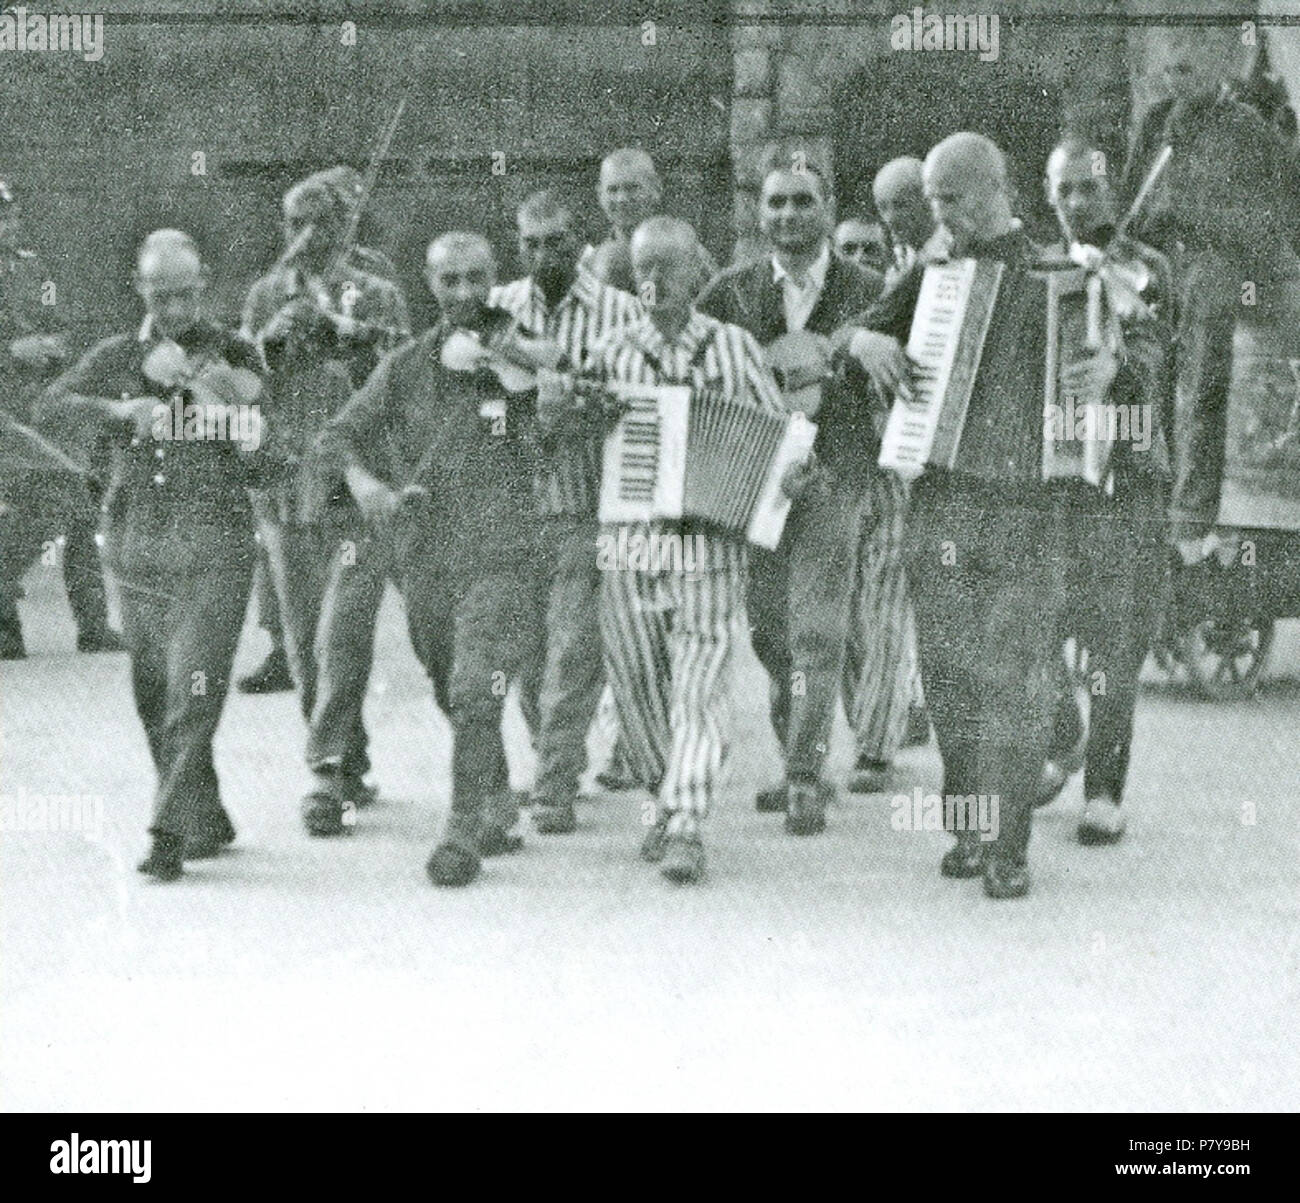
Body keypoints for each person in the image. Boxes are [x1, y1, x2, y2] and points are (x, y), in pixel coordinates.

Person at [837, 132, 1071, 899]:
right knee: (948, 675)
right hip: (941, 500)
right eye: (931, 202)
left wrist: (1108, 367)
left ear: (999, 187)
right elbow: (853, 330)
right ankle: (968, 823)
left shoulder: (1057, 273)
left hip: (1029, 509)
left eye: (952, 200)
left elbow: (1132, 358)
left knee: (1013, 674)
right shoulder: (930, 273)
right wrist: (870, 339)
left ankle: (1009, 844)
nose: (938, 217)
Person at [38, 231, 272, 881]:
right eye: (160, 294)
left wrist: (229, 413)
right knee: (153, 690)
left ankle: (167, 828)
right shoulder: (119, 356)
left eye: (186, 294)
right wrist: (122, 409)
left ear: (204, 286)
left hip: (215, 545)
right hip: (138, 545)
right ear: (141, 290)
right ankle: (205, 810)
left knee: (193, 684)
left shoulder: (234, 353)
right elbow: (49, 406)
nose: (174, 308)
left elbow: (268, 450)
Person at [319, 232, 547, 886]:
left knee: (477, 686)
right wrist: (370, 487)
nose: (466, 294)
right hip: (426, 555)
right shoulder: (407, 364)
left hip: (504, 549)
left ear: (495, 277)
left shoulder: (523, 355)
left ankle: (461, 828)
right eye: (450, 281)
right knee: (453, 685)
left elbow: (572, 409)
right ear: (430, 283)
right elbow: (338, 435)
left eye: (478, 278)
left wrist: (539, 374)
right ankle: (497, 797)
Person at [587, 215, 797, 882]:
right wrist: (576, 415)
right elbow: (569, 435)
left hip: (710, 541)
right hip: (631, 539)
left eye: (668, 268)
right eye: (642, 270)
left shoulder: (733, 347)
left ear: (697, 273)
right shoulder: (610, 351)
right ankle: (661, 784)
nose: (654, 282)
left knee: (700, 682)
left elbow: (777, 435)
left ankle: (685, 820)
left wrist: (787, 479)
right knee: (637, 679)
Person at [697, 157, 884, 834]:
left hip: (835, 477)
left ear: (828, 207)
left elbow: (897, 379)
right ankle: (794, 757)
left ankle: (806, 773)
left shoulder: (871, 288)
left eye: (802, 202)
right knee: (771, 631)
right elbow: (695, 370)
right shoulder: (730, 290)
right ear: (760, 211)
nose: (787, 216)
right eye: (776, 204)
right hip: (757, 482)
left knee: (817, 628)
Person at [240, 168, 411, 835]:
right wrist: (271, 341)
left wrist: (340, 328)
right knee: (304, 639)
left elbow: (401, 374)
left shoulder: (378, 292)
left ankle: (326, 770)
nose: (306, 237)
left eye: (320, 222)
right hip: (286, 489)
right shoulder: (263, 294)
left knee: (342, 633)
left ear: (346, 224)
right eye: (293, 222)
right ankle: (351, 760)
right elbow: (235, 381)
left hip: (355, 485)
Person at [489, 190, 640, 837]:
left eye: (556, 241)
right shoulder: (499, 309)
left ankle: (554, 780)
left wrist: (582, 402)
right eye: (531, 242)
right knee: (527, 650)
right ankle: (556, 756)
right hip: (518, 505)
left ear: (580, 242)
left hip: (588, 503)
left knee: (575, 648)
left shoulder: (620, 310)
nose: (544, 253)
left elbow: (636, 402)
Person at [1037, 136, 1175, 843]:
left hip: (1127, 480)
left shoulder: (1145, 270)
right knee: (1035, 618)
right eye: (1064, 191)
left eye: (1088, 189)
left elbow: (1153, 362)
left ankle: (1104, 793)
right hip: (1058, 479)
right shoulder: (1040, 268)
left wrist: (1115, 370)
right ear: (1049, 194)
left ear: (1112, 193)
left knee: (1116, 642)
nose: (1076, 204)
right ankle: (1063, 737)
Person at [1123, 30, 1300, 554]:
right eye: (1171, 55)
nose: (1180, 60)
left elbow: (1271, 224)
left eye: (1192, 50)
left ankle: (1192, 511)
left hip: (1229, 276)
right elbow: (1133, 213)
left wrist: (1192, 220)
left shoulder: (1247, 130)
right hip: (1162, 270)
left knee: (1208, 323)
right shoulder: (1156, 125)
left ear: (1219, 62)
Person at [0, 173, 119, 658]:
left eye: (10, 214)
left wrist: (53, 345)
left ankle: (93, 625)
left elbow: (66, 325)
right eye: (1, 217)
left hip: (42, 403)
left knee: (82, 500)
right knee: (48, 498)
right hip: (5, 409)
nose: (9, 224)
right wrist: (11, 351)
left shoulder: (31, 271)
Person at [581, 148, 718, 295]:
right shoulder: (591, 263)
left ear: (656, 189)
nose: (622, 199)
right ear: (600, 195)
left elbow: (714, 309)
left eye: (632, 188)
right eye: (612, 190)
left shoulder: (685, 252)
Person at [872, 156, 950, 287]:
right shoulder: (897, 259)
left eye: (901, 205)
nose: (890, 219)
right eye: (882, 207)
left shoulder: (956, 253)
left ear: (928, 202)